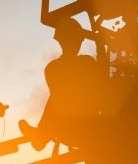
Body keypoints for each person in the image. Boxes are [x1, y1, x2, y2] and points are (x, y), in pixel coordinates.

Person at [19, 18, 106, 150]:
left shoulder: (52, 69)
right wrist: (100, 47)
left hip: (67, 128)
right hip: (86, 127)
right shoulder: (87, 63)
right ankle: (41, 135)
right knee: (58, 97)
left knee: (56, 98)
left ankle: (41, 135)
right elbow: (102, 84)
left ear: (59, 41)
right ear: (79, 40)